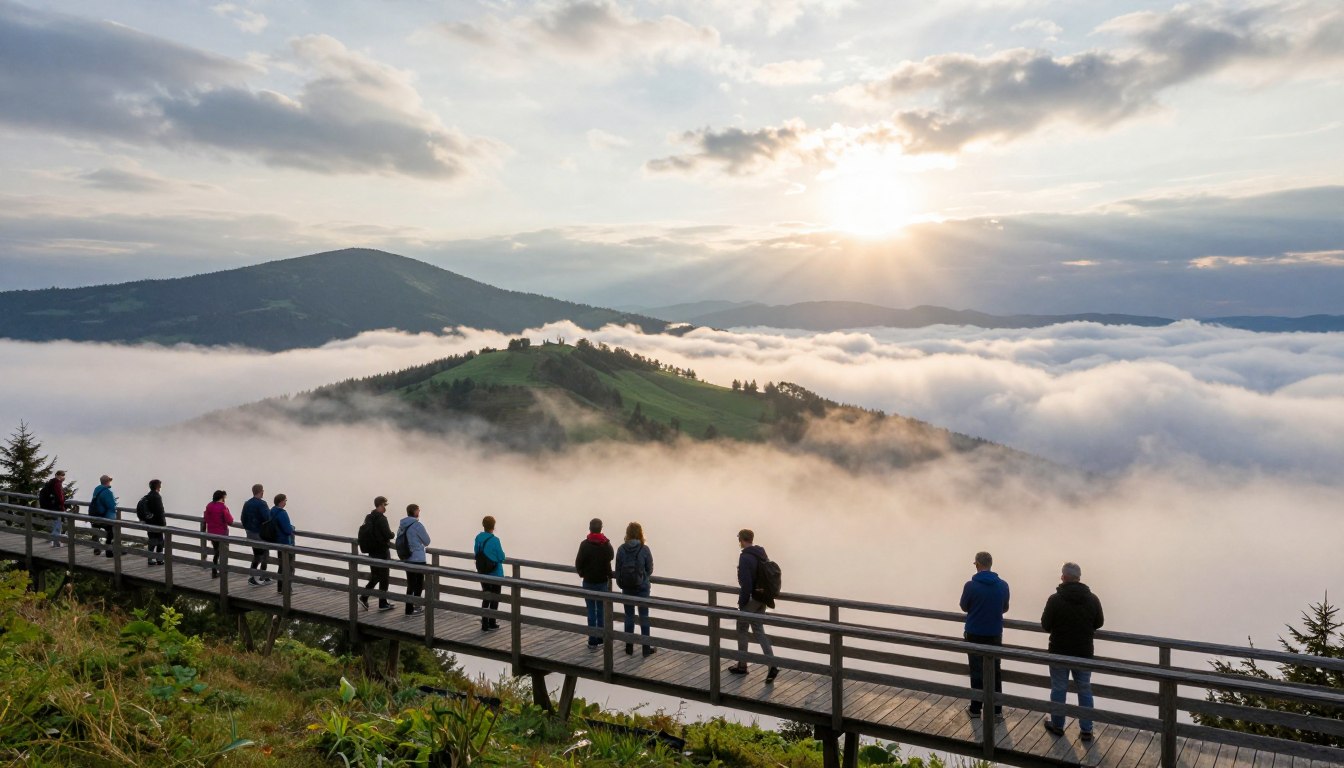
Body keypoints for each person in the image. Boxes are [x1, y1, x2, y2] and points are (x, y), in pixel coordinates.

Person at [1041, 562, 1105, 741]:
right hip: (1083, 652)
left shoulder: (1055, 599)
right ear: (1079, 578)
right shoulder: (1093, 599)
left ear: (1064, 577)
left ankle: (1058, 725)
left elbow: (1046, 625)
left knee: (1059, 688)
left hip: (1059, 652)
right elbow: (1099, 623)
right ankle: (1086, 729)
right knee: (1084, 689)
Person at [960, 550, 1010, 718]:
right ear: (990, 565)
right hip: (995, 633)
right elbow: (1005, 608)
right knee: (995, 671)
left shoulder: (970, 585)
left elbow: (964, 606)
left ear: (978, 565)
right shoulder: (1003, 585)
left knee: (976, 671)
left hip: (974, 633)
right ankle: (997, 711)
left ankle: (975, 709)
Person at [728, 528, 778, 682]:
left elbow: (746, 584)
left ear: (741, 540)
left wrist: (742, 603)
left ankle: (742, 665)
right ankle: (772, 665)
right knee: (758, 630)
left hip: (751, 599)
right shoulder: (761, 554)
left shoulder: (745, 558)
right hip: (762, 598)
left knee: (742, 628)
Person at [615, 521, 655, 656]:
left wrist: (622, 584)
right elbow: (650, 569)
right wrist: (643, 577)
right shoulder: (644, 549)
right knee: (644, 616)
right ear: (640, 533)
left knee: (629, 616)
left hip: (627, 588)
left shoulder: (621, 549)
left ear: (627, 533)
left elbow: (618, 570)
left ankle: (629, 647)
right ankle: (645, 649)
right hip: (642, 588)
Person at [574, 518, 614, 650]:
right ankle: (601, 638)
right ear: (601, 528)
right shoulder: (605, 544)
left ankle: (592, 641)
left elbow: (578, 562)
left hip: (589, 582)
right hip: (602, 581)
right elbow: (611, 556)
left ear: (590, 528)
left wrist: (582, 573)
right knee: (601, 611)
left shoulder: (584, 544)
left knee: (591, 611)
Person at [360, 496, 395, 611]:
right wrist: (393, 534)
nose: (386, 508)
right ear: (380, 505)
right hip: (382, 552)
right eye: (385, 505)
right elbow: (388, 535)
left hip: (372, 551)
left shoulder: (369, 517)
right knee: (384, 578)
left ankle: (364, 597)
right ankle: (382, 603)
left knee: (375, 576)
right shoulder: (382, 519)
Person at [397, 503, 431, 616]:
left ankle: (408, 609)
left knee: (410, 584)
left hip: (407, 557)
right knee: (419, 584)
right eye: (418, 510)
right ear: (415, 512)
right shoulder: (417, 525)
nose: (419, 512)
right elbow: (427, 541)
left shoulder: (402, 525)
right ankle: (416, 607)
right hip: (418, 559)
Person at [474, 516, 505, 631]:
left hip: (483, 572)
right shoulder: (495, 540)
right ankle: (492, 622)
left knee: (486, 596)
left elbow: (476, 552)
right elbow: (501, 557)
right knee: (495, 597)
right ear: (494, 526)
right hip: (495, 573)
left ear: (483, 525)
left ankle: (484, 623)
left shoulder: (478, 538)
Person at [241, 483, 272, 586]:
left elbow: (243, 519)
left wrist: (248, 529)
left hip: (250, 533)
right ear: (260, 491)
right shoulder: (262, 504)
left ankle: (256, 576)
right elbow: (267, 518)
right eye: (263, 490)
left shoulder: (247, 503)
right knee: (264, 554)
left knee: (257, 555)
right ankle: (260, 577)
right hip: (260, 533)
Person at [268, 493, 296, 594]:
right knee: (288, 566)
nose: (285, 502)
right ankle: (287, 589)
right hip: (285, 542)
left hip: (277, 541)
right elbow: (287, 530)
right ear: (281, 501)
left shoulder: (272, 511)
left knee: (281, 565)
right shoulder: (282, 513)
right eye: (285, 500)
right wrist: (292, 528)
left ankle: (280, 588)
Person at [203, 490, 233, 578]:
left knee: (216, 552)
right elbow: (230, 520)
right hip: (222, 534)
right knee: (222, 552)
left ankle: (214, 570)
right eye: (225, 497)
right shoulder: (223, 507)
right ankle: (221, 570)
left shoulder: (209, 505)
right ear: (222, 497)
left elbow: (206, 518)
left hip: (212, 533)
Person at [89, 474, 118, 558]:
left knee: (96, 531)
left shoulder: (97, 489)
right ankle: (109, 551)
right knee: (111, 533)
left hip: (95, 515)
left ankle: (96, 548)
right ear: (107, 482)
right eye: (109, 481)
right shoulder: (107, 492)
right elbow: (111, 505)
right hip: (104, 516)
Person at [142, 479, 166, 566]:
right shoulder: (157, 497)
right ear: (157, 486)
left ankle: (150, 558)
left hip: (150, 522)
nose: (160, 487)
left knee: (152, 540)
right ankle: (159, 559)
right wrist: (163, 524)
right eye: (159, 485)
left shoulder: (148, 496)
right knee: (160, 541)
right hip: (157, 523)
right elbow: (160, 511)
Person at [39, 469, 66, 547]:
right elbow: (59, 497)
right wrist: (62, 505)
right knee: (58, 523)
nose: (63, 477)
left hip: (50, 506)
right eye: (62, 475)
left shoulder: (51, 482)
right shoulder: (57, 484)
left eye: (63, 475)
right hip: (56, 507)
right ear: (57, 475)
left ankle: (53, 539)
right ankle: (56, 543)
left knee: (56, 523)